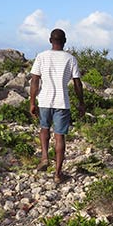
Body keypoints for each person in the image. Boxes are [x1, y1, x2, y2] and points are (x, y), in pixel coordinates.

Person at [29, 28, 86, 184]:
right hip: (62, 102)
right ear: (65, 41)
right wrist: (81, 103)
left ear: (50, 40)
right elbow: (77, 83)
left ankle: (44, 157)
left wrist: (32, 102)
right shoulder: (71, 59)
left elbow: (35, 81)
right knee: (59, 136)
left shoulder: (41, 57)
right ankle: (57, 174)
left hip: (45, 101)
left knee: (44, 128)